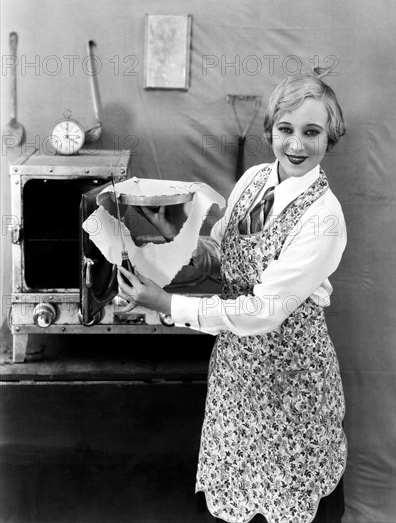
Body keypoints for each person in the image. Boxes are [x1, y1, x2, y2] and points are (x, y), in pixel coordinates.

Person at [117, 72, 348, 523]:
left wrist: (166, 305)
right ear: (270, 131)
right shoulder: (254, 180)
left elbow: (263, 312)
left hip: (291, 380)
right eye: (286, 130)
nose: (296, 144)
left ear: (330, 137)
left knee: (291, 498)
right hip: (237, 377)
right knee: (236, 501)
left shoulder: (324, 217)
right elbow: (223, 255)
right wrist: (177, 236)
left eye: (311, 132)